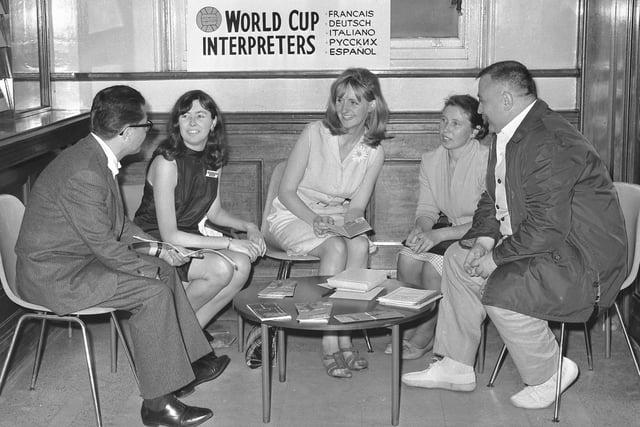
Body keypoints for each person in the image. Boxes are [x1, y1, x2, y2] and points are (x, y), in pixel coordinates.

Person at [401, 61, 627, 409]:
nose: (479, 109)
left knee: (502, 285)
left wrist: (496, 258)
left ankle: (549, 372)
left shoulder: (549, 140)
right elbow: (492, 200)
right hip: (548, 243)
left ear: (505, 99)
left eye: (483, 100)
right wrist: (484, 242)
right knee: (458, 259)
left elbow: (547, 226)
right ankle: (456, 365)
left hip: (581, 258)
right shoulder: (510, 134)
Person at [15, 85, 230, 427]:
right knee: (153, 289)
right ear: (127, 132)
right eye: (145, 125)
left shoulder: (95, 156)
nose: (149, 131)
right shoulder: (85, 172)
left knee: (162, 269)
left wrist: (160, 249)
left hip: (76, 259)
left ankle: (189, 359)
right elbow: (105, 246)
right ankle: (157, 405)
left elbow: (116, 225)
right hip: (55, 276)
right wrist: (148, 269)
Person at [265, 67, 390, 378]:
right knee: (335, 248)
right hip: (293, 213)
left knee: (359, 244)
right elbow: (286, 191)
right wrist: (314, 220)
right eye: (340, 100)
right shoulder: (314, 132)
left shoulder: (374, 151)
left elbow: (357, 206)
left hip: (334, 217)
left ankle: (344, 334)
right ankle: (328, 341)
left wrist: (352, 225)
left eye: (354, 102)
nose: (344, 109)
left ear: (371, 106)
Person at [134, 90, 265, 347]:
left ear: (213, 121)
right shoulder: (167, 162)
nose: (192, 122)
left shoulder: (212, 160)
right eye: (185, 115)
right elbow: (170, 234)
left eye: (200, 115)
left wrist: (250, 227)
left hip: (188, 237)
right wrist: (229, 243)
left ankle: (188, 341)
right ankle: (168, 338)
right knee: (221, 268)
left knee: (242, 266)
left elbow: (214, 212)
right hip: (155, 242)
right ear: (177, 123)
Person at [388, 95, 489, 360]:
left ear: (475, 130)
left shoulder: (487, 161)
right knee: (407, 259)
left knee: (433, 266)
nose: (445, 129)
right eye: (443, 120)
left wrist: (438, 234)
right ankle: (412, 324)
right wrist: (421, 230)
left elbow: (488, 220)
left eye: (456, 123)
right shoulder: (431, 159)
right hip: (449, 231)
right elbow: (427, 210)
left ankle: (426, 333)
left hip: (483, 236)